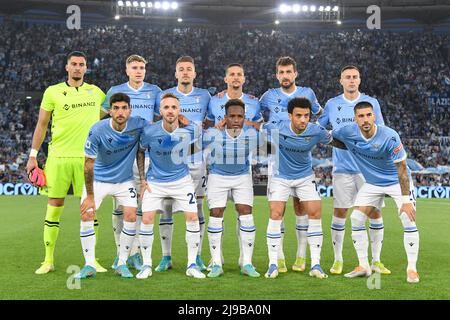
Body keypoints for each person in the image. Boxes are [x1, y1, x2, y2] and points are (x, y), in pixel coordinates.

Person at [26, 51, 106, 274]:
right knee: (54, 209)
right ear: (67, 67)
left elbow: (116, 110)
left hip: (87, 160)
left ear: (86, 68)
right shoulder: (52, 92)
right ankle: (48, 260)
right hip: (58, 158)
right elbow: (41, 125)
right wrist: (33, 155)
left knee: (90, 210)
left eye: (82, 64)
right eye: (74, 64)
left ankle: (92, 261)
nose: (78, 68)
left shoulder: (96, 93)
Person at [247, 97, 344, 279]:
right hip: (279, 176)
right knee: (276, 213)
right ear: (290, 115)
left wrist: (361, 147)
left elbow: (336, 142)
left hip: (304, 177)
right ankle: (273, 263)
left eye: (306, 116)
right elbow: (255, 126)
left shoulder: (316, 130)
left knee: (315, 212)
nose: (303, 120)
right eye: (298, 115)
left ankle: (315, 264)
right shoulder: (276, 127)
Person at [332, 101, 420, 283]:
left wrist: (405, 200)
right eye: (361, 116)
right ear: (355, 118)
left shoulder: (389, 136)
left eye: (368, 115)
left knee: (407, 217)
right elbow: (332, 139)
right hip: (372, 183)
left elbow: (402, 169)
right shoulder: (347, 132)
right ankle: (364, 266)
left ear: (374, 116)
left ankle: (412, 268)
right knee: (356, 218)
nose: (365, 119)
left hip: (396, 181)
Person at [318, 65, 390, 275]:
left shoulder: (371, 103)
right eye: (347, 77)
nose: (351, 80)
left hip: (368, 170)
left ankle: (376, 261)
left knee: (374, 212)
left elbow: (382, 131)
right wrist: (333, 142)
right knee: (340, 211)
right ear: (341, 81)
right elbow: (320, 130)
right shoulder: (332, 104)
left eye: (354, 77)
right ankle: (338, 259)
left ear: (359, 80)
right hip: (342, 168)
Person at [259, 56, 322, 273]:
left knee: (300, 207)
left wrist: (311, 134)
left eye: (289, 72)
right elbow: (255, 116)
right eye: (281, 72)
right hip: (277, 160)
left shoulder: (308, 93)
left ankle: (302, 256)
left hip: (301, 157)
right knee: (278, 209)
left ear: (295, 73)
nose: (285, 76)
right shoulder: (268, 96)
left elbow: (320, 115)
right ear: (277, 75)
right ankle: (279, 257)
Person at [75, 93, 147, 279]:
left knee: (131, 216)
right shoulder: (97, 130)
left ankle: (122, 262)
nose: (120, 112)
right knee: (86, 214)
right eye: (116, 108)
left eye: (124, 108)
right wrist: (90, 196)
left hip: (124, 181)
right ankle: (89, 264)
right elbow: (88, 164)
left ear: (130, 110)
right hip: (98, 180)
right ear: (110, 111)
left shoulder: (138, 124)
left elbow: (158, 129)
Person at [101, 54, 162, 271]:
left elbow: (164, 112)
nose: (138, 71)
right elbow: (102, 118)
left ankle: (135, 252)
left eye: (142, 67)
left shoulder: (154, 91)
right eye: (134, 67)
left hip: (144, 154)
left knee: (141, 205)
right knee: (120, 205)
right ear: (127, 70)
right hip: (123, 155)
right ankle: (121, 252)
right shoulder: (115, 91)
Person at [137, 93, 205, 279]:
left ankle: (192, 264)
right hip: (155, 182)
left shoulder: (189, 129)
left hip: (182, 181)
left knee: (192, 217)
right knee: (147, 218)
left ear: (179, 110)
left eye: (174, 107)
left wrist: (188, 122)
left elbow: (202, 138)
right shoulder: (150, 131)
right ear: (160, 110)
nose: (170, 111)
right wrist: (143, 179)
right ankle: (146, 264)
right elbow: (141, 152)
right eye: (166, 107)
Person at [154, 56, 211, 273]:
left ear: (195, 73)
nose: (185, 72)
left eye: (189, 69)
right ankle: (166, 256)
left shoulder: (205, 96)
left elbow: (213, 120)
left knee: (197, 208)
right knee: (166, 208)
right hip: (170, 160)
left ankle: (196, 257)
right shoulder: (164, 95)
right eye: (181, 69)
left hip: (196, 159)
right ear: (175, 73)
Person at [204, 63, 263, 269]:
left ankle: (245, 261)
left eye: (239, 74)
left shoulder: (254, 103)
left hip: (242, 167)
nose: (236, 77)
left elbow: (261, 127)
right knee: (215, 213)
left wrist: (246, 124)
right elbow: (208, 125)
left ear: (244, 78)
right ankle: (215, 260)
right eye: (232, 74)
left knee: (244, 212)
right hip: (218, 164)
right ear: (226, 79)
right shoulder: (214, 100)